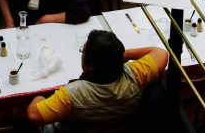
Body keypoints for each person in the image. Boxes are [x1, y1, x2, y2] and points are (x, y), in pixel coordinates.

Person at [26, 30, 168, 129]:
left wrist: (39, 98)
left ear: (91, 67)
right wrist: (123, 55)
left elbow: (33, 115)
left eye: (84, 51)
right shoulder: (136, 74)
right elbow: (161, 53)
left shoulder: (72, 95)